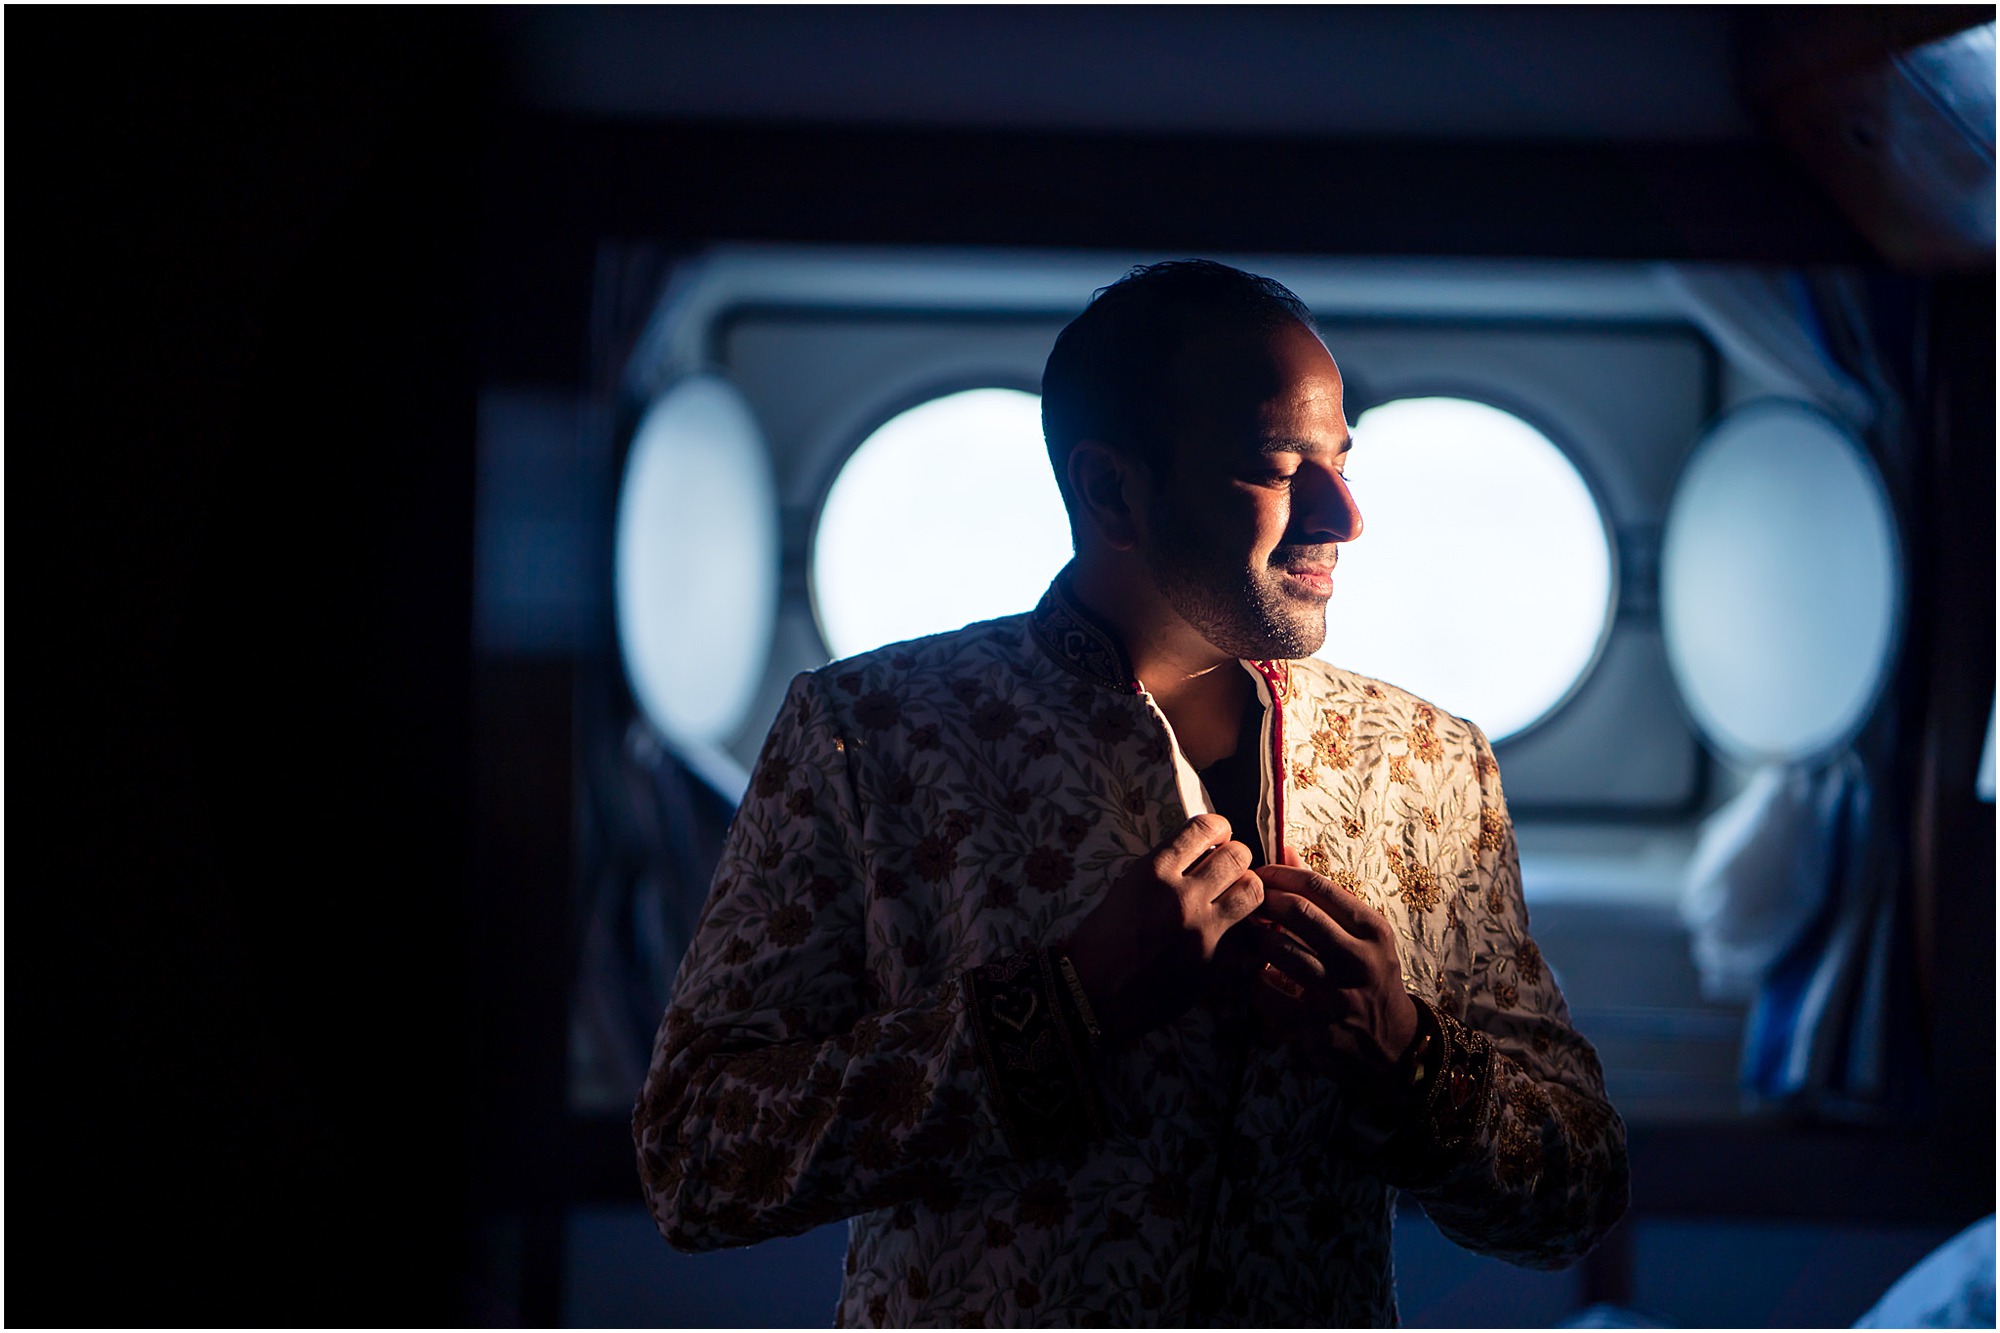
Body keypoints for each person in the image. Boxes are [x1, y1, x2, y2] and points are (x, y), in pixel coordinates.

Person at [633, 260, 1628, 1326]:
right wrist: (1057, 1008)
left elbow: (1574, 1198)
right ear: (1112, 487)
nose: (1341, 516)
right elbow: (695, 1161)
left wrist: (1406, 1056)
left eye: (1339, 461)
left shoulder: (1428, 766)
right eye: (1277, 465)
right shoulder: (868, 735)